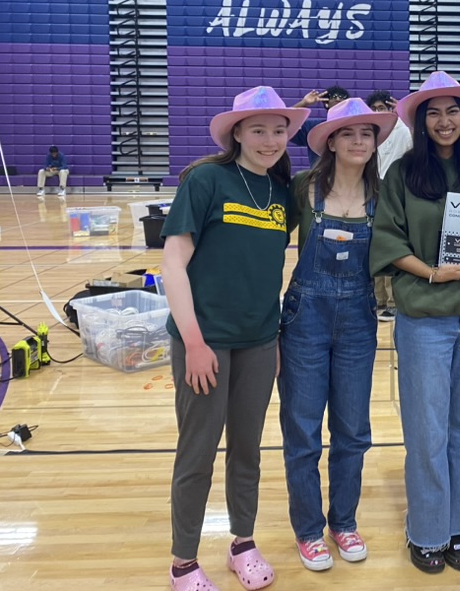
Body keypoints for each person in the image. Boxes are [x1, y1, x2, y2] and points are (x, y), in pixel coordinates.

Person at [160, 86, 309, 591]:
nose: (271, 140)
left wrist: (276, 340)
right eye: (260, 130)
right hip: (205, 341)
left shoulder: (282, 194)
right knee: (197, 452)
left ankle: (241, 542)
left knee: (247, 449)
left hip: (260, 342)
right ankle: (183, 561)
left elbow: (264, 267)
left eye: (279, 130)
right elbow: (172, 265)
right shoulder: (206, 180)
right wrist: (195, 343)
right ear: (237, 133)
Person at [368, 71, 460, 574]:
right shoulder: (401, 173)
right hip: (424, 319)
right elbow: (388, 241)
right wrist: (432, 273)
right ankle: (425, 531)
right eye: (434, 113)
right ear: (420, 121)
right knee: (426, 431)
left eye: (453, 111)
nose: (445, 121)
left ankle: (458, 526)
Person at [278, 98, 397, 572]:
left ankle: (343, 522)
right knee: (303, 433)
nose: (358, 141)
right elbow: (264, 245)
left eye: (366, 134)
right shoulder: (302, 188)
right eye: (348, 134)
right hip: (304, 318)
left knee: (352, 431)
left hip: (358, 320)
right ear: (330, 141)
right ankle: (308, 531)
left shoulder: (384, 195)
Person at [366, 89, 412, 320]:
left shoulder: (402, 130)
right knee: (374, 245)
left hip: (395, 191)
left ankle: (393, 301)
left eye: (381, 108)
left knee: (393, 244)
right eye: (373, 109)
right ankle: (378, 300)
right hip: (372, 189)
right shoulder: (370, 133)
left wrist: (401, 115)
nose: (377, 112)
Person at [291, 86, 351, 166]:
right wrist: (304, 103)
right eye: (334, 98)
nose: (338, 100)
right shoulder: (313, 127)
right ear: (326, 103)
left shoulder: (355, 129)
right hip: (319, 177)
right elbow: (285, 123)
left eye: (342, 99)